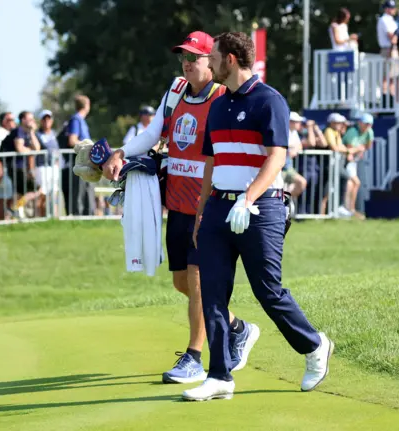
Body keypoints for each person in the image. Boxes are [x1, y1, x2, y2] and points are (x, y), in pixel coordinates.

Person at [182, 32, 333, 402]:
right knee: (213, 292)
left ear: (230, 59)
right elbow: (212, 162)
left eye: (213, 56)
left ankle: (315, 345)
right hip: (219, 208)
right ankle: (219, 375)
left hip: (261, 208)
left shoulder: (269, 100)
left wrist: (248, 200)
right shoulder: (217, 106)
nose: (210, 62)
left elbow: (276, 157)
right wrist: (202, 213)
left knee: (268, 290)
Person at [102, 31, 260, 385]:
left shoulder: (224, 95)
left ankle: (194, 357)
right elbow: (154, 131)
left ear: (212, 60)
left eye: (195, 57)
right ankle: (237, 327)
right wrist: (121, 152)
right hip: (177, 201)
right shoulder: (175, 91)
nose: (187, 63)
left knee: (197, 279)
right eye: (183, 57)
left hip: (209, 203)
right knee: (181, 283)